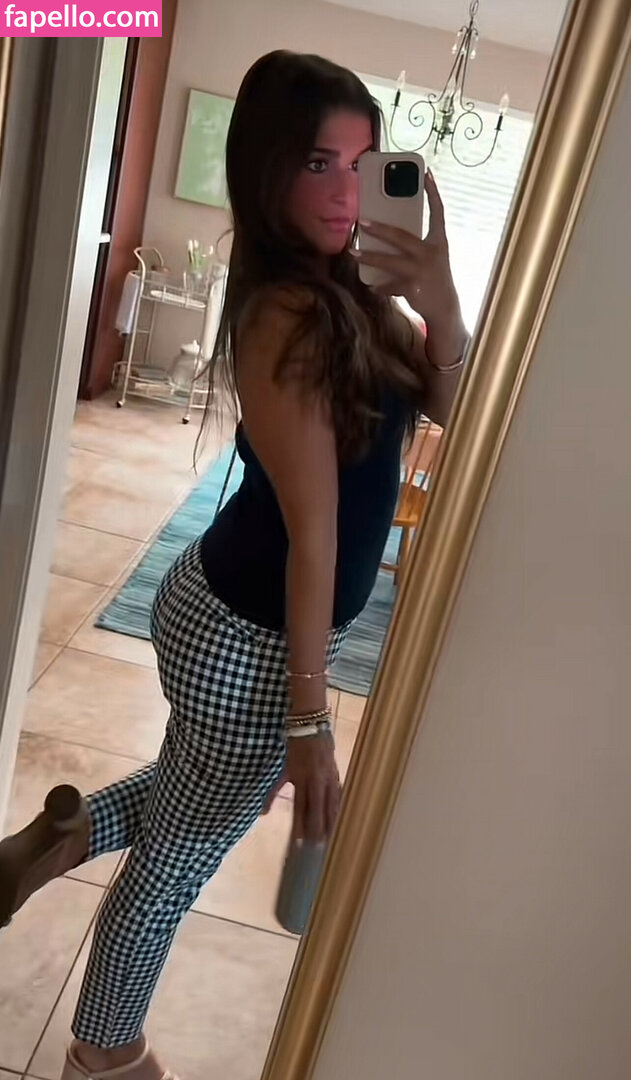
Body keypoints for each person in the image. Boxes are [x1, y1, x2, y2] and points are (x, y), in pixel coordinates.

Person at [0, 50, 468, 1080]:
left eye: (361, 162)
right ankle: (103, 1057)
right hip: (247, 641)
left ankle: (59, 842)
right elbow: (316, 531)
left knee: (192, 797)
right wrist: (309, 721)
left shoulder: (355, 292)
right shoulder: (287, 311)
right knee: (175, 868)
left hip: (229, 611)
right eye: (317, 162)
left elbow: (452, 409)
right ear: (266, 171)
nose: (346, 191)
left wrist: (439, 297)